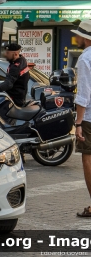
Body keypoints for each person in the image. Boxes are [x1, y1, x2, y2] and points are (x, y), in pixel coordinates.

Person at [69, 21, 91, 217]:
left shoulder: (85, 58)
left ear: (85, 38)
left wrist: (78, 123)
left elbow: (83, 93)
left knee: (88, 158)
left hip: (90, 118)